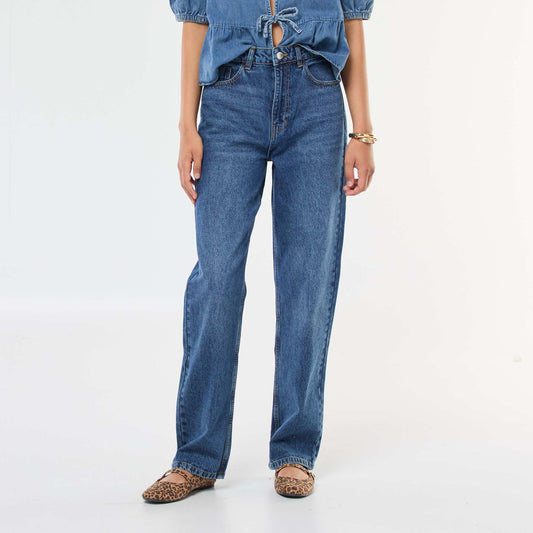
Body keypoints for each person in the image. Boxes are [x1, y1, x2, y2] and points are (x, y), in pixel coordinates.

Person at [142, 0, 376, 502]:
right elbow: (196, 22)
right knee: (217, 278)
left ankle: (295, 450)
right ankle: (196, 457)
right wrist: (187, 126)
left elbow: (352, 23)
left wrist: (362, 131)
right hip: (230, 100)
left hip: (316, 99)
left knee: (307, 279)